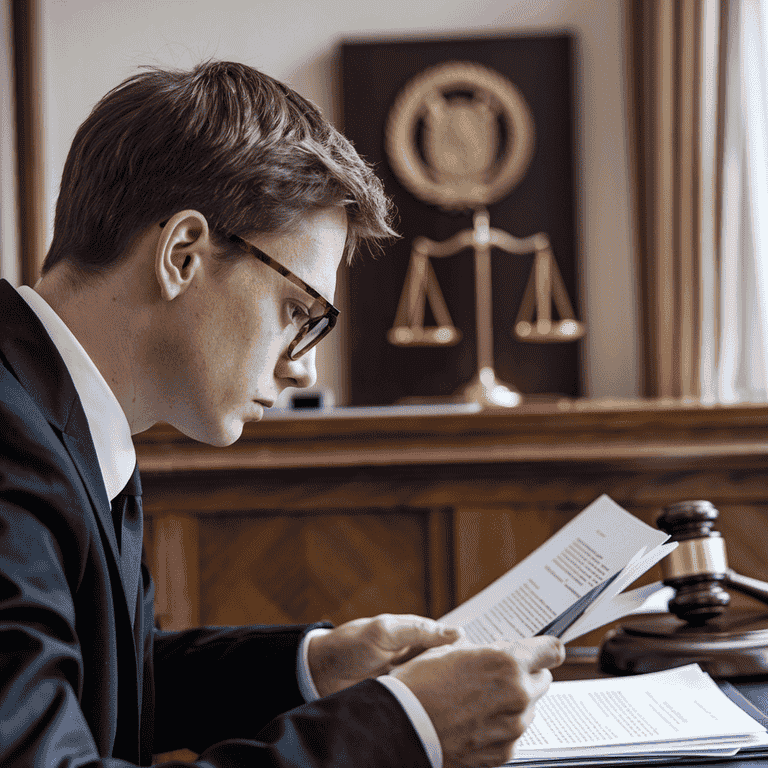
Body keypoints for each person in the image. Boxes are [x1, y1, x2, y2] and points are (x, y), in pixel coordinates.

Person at [0, 60, 563, 767]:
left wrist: (312, 666)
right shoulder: (10, 444)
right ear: (182, 254)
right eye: (299, 313)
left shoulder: (50, 412)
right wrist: (401, 730)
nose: (305, 369)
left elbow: (92, 681)